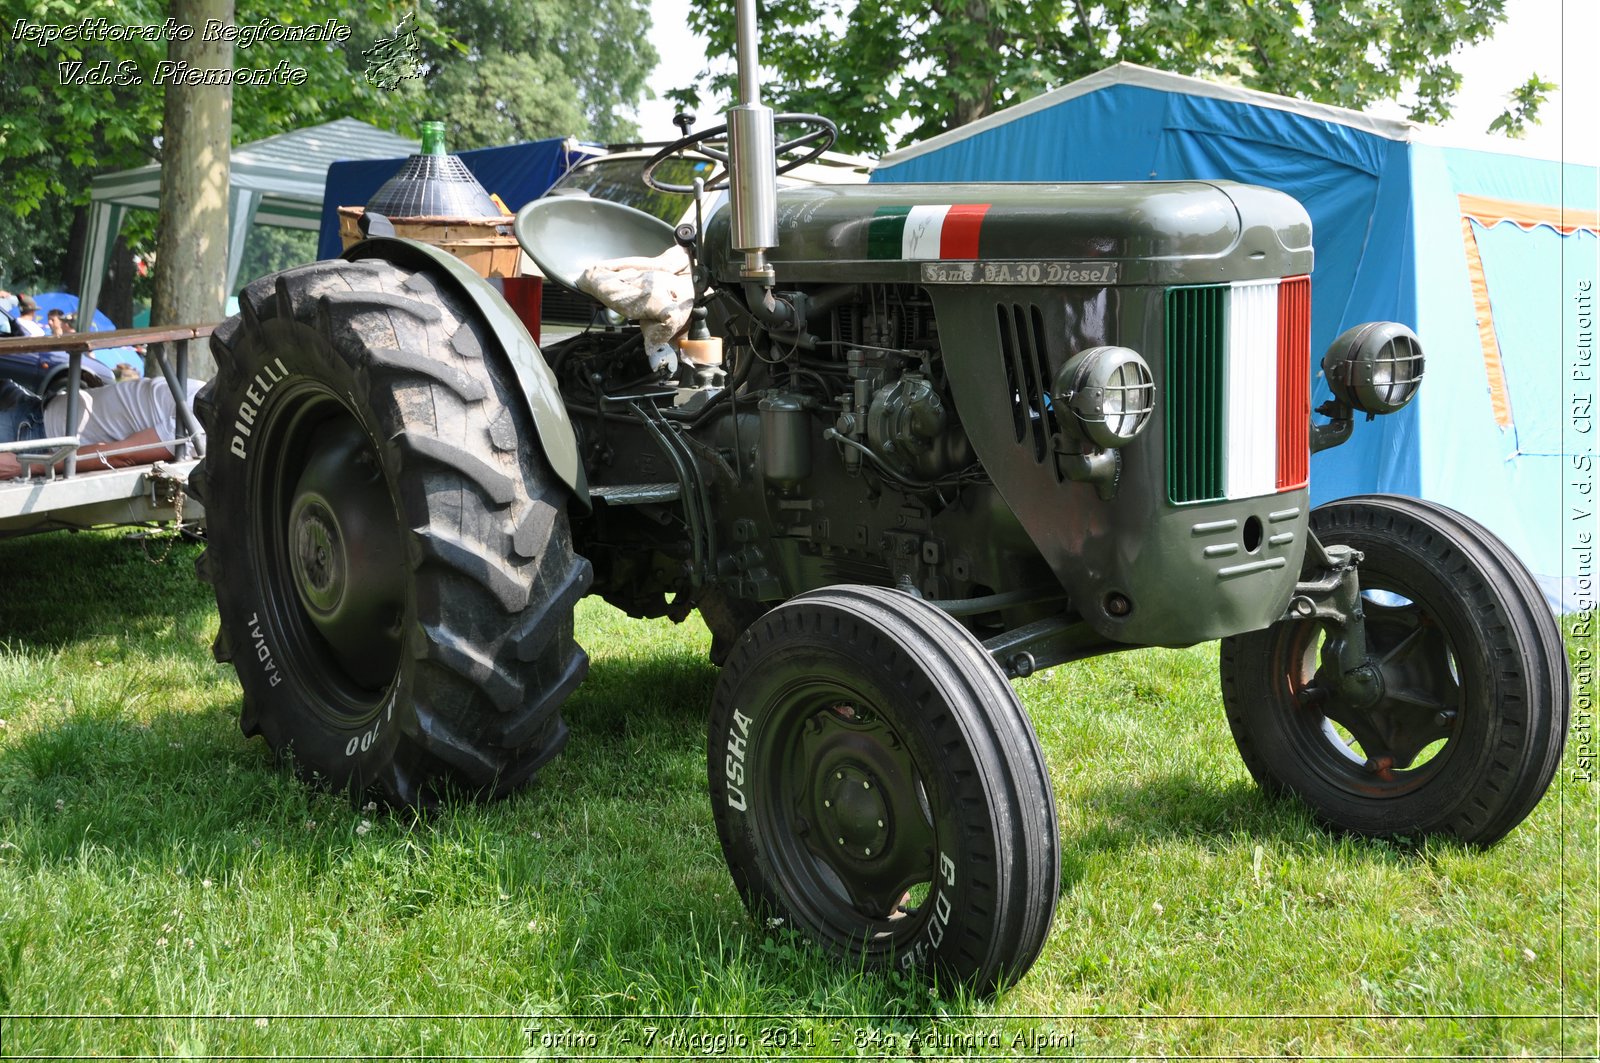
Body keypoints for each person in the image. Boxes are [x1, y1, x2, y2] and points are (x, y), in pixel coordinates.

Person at [0, 375, 205, 480]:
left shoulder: (204, 415)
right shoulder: (208, 410)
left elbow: (122, 455)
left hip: (31, 431)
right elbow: (123, 455)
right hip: (32, 417)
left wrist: (25, 465)